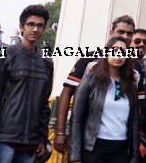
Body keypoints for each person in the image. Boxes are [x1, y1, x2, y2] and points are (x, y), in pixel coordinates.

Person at [0, 4, 54, 163]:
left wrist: (41, 138)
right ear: (21, 27)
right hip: (3, 140)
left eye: (40, 25)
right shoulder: (4, 56)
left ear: (44, 29)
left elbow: (44, 105)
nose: (35, 29)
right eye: (30, 24)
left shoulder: (46, 62)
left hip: (31, 143)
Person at [57, 17, 138, 154]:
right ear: (111, 32)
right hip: (89, 141)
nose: (125, 36)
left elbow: (136, 109)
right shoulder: (89, 59)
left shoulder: (135, 68)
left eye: (129, 33)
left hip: (120, 145)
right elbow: (67, 92)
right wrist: (60, 132)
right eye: (120, 32)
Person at [69, 38, 143, 163]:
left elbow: (135, 121)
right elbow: (77, 117)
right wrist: (75, 156)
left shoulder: (131, 85)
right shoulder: (90, 80)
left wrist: (135, 156)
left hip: (121, 150)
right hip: (94, 147)